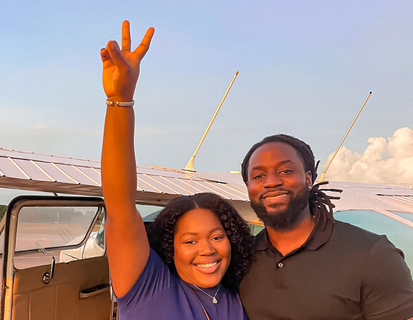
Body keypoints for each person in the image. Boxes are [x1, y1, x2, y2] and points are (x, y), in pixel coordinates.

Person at [100, 20, 254, 320]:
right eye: (190, 241)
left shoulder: (235, 299)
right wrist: (120, 102)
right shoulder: (149, 287)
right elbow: (120, 206)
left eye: (217, 237)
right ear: (171, 248)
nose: (207, 249)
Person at [239, 134, 413, 320]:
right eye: (258, 176)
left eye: (286, 171)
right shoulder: (239, 260)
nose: (271, 182)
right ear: (249, 187)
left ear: (308, 179)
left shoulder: (372, 254)